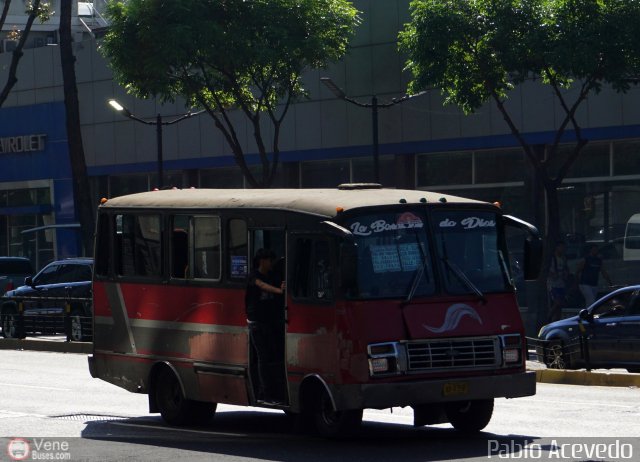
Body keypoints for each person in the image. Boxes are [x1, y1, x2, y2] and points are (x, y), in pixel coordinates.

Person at [245, 248, 286, 404]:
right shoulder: (253, 276)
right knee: (263, 357)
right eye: (269, 260)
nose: (271, 263)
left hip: (269, 321)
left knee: (272, 355)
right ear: (262, 260)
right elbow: (261, 286)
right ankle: (264, 392)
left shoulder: (272, 276)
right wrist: (278, 291)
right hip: (256, 323)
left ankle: (273, 390)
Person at [547, 241, 571, 323]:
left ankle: (556, 321)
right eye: (560, 247)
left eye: (563, 247)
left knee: (560, 305)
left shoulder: (563, 258)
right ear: (556, 247)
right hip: (553, 284)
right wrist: (553, 275)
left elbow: (566, 268)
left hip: (561, 284)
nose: (562, 249)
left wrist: (566, 274)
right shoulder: (552, 258)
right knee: (557, 302)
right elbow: (547, 270)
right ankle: (548, 318)